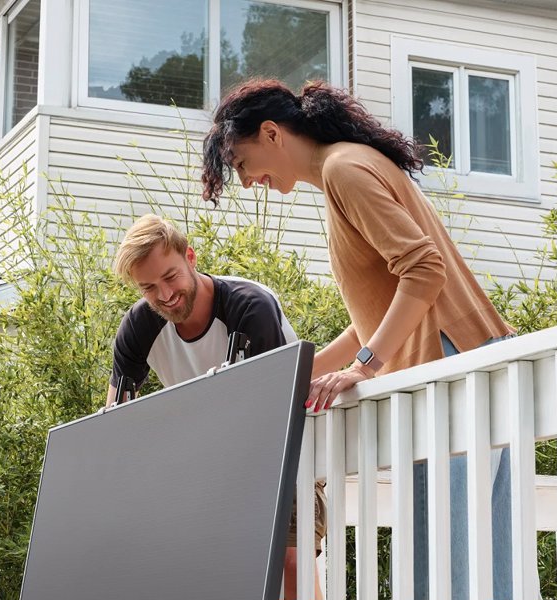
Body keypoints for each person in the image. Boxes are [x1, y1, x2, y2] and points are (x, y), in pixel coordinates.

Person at [202, 79, 516, 600]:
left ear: (272, 133)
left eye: (241, 164)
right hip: (459, 367)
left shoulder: (345, 169)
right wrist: (291, 377)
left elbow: (423, 270)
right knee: (471, 571)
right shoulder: (342, 171)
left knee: (448, 575)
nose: (248, 181)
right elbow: (376, 311)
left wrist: (365, 366)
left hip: (455, 368)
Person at [108, 213, 327, 600]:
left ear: (190, 258)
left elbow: (267, 411)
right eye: (148, 288)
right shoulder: (138, 328)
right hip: (209, 466)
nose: (164, 295)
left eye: (170, 277)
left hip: (287, 452)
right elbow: (114, 424)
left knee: (289, 560)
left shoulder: (249, 306)